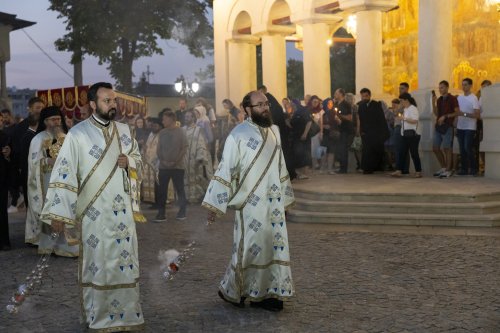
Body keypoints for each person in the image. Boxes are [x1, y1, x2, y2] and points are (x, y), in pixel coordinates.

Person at [40, 82, 145, 331]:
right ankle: (97, 314)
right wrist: (60, 213)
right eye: (107, 101)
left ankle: (128, 315)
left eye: (114, 100)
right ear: (93, 104)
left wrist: (128, 160)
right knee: (99, 264)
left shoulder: (125, 130)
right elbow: (64, 173)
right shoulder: (78, 134)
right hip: (94, 213)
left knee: (123, 262)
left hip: (122, 215)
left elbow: (139, 161)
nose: (112, 105)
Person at [203, 90, 295, 312]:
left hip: (273, 205)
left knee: (273, 247)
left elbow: (281, 166)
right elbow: (226, 169)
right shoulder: (238, 135)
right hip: (250, 205)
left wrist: (285, 196)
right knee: (250, 248)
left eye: (266, 104)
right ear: (247, 110)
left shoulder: (275, 132)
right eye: (259, 104)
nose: (265, 108)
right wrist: (216, 202)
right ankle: (239, 289)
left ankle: (271, 294)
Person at [25, 107, 78, 257]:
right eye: (53, 119)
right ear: (45, 121)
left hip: (65, 181)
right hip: (47, 182)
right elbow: (34, 162)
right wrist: (49, 160)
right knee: (51, 213)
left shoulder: (66, 136)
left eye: (58, 119)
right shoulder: (38, 139)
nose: (57, 122)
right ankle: (50, 245)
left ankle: (68, 247)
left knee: (66, 211)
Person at [154, 109, 188, 222]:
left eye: (164, 119)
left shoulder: (181, 131)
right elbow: (158, 149)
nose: (162, 121)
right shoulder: (162, 132)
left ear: (171, 119)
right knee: (161, 190)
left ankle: (182, 212)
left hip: (178, 167)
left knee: (179, 189)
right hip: (163, 167)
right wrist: (163, 161)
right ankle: (161, 213)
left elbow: (184, 148)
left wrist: (175, 162)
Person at [357, 88, 390, 174]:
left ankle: (377, 167)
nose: (364, 98)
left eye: (366, 96)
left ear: (369, 96)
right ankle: (367, 168)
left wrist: (382, 132)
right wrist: (360, 130)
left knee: (375, 150)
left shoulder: (376, 105)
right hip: (366, 132)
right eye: (362, 96)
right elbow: (360, 119)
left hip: (376, 132)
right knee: (366, 150)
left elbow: (381, 119)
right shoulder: (361, 106)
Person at [183, 109, 213, 203]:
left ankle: (194, 196)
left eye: (188, 117)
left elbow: (201, 144)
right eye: (185, 117)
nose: (186, 118)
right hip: (183, 157)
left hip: (194, 157)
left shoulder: (198, 129)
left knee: (195, 176)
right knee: (184, 177)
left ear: (193, 118)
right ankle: (185, 197)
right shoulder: (182, 129)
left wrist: (200, 158)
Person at [432, 80, 459, 178]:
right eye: (439, 88)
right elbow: (436, 113)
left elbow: (457, 112)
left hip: (448, 126)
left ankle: (448, 170)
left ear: (447, 88)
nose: (440, 89)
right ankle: (443, 167)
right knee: (435, 148)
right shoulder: (439, 100)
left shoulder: (452, 99)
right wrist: (433, 102)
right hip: (438, 126)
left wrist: (446, 116)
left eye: (442, 87)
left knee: (447, 148)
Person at [391, 93, 422, 178]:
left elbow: (415, 120)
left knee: (414, 153)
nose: (400, 103)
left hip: (413, 135)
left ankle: (418, 171)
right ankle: (399, 170)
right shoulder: (405, 109)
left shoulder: (413, 108)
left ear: (406, 100)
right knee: (402, 152)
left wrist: (403, 118)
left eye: (401, 101)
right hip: (404, 134)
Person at [456, 78, 480, 176]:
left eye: (466, 84)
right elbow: (457, 113)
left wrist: (464, 114)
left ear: (470, 86)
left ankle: (474, 168)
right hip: (460, 126)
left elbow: (477, 115)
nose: (464, 86)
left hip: (470, 127)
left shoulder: (473, 98)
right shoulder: (459, 98)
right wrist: (455, 123)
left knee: (467, 148)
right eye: (462, 84)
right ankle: (464, 169)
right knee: (461, 149)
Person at [143, 117, 163, 209]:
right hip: (149, 162)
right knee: (151, 183)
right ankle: (153, 202)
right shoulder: (151, 134)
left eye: (156, 126)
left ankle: (159, 203)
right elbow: (147, 145)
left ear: (159, 126)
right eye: (153, 125)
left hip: (158, 162)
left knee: (158, 183)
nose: (154, 127)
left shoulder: (162, 134)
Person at [333, 88, 354, 173]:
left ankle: (343, 169)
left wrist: (340, 116)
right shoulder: (336, 104)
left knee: (343, 149)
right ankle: (341, 167)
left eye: (336, 93)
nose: (335, 95)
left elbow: (349, 117)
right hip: (339, 130)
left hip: (346, 130)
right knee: (339, 149)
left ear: (341, 94)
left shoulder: (346, 104)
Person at [0, 112, 12, 250]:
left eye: (1, 120)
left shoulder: (5, 137)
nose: (1, 122)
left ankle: (4, 241)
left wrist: (8, 155)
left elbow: (10, 160)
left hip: (1, 179)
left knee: (2, 211)